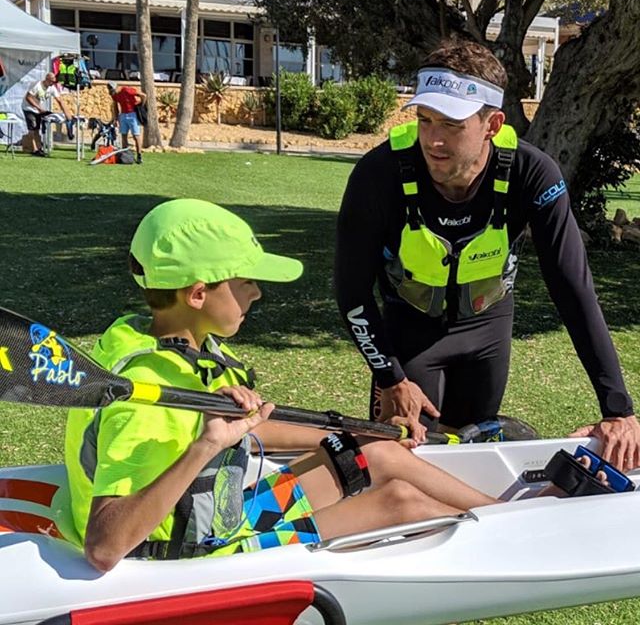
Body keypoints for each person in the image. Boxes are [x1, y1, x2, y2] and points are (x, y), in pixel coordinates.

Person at [64, 198, 498, 572]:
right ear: (197, 294)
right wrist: (205, 447)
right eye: (246, 282)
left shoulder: (173, 342)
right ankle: (514, 539)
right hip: (184, 555)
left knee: (375, 450)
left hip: (219, 512)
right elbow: (105, 546)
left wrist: (347, 434)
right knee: (401, 504)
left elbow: (249, 425)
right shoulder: (144, 395)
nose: (257, 294)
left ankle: (507, 517)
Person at [334, 39, 640, 471]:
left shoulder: (532, 173)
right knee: (398, 464)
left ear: (492, 124)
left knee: (471, 461)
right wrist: (390, 377)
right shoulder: (378, 174)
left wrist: (618, 409)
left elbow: (573, 287)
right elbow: (351, 291)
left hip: (487, 328)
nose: (434, 140)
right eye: (425, 121)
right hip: (409, 331)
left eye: (452, 125)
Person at [21, 72, 71, 156]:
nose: (53, 84)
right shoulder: (37, 86)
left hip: (38, 110)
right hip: (28, 108)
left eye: (54, 82)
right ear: (47, 79)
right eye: (52, 81)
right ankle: (34, 150)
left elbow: (60, 101)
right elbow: (28, 97)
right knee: (32, 129)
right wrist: (39, 108)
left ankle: (39, 148)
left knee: (37, 128)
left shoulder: (52, 88)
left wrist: (67, 114)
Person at [107, 82, 146, 164]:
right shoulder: (114, 95)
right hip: (123, 115)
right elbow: (115, 107)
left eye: (111, 88)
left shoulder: (126, 90)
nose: (110, 90)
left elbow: (143, 95)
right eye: (109, 88)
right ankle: (126, 156)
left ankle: (139, 155)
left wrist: (141, 106)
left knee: (136, 135)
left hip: (132, 115)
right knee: (124, 135)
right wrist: (116, 119)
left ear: (115, 87)